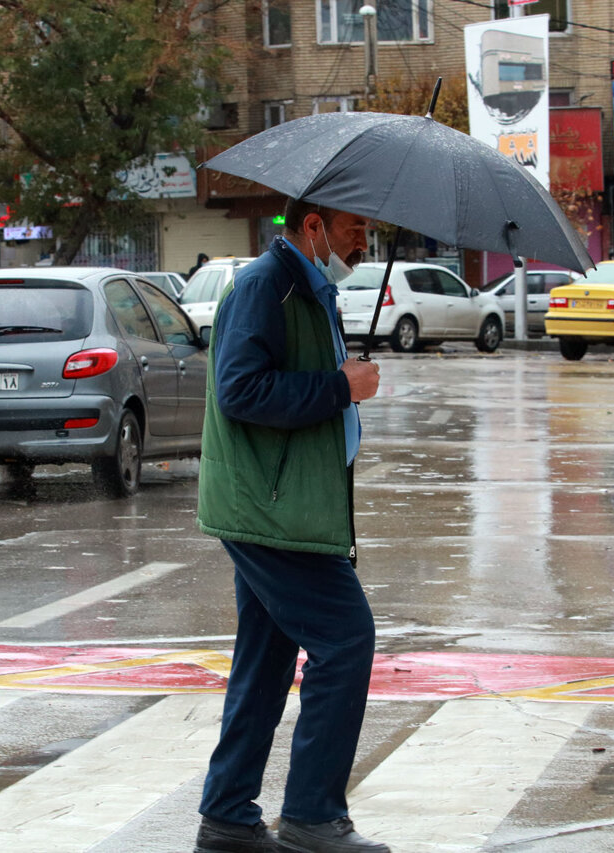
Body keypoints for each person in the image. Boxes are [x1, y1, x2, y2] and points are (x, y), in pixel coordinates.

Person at [192, 199, 388, 853]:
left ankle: (226, 818)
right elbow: (239, 391)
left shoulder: (310, 290)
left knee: (266, 655)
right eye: (353, 228)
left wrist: (341, 386)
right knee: (345, 637)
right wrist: (339, 387)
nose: (362, 242)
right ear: (313, 227)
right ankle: (311, 814)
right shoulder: (265, 287)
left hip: (287, 502)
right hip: (269, 507)